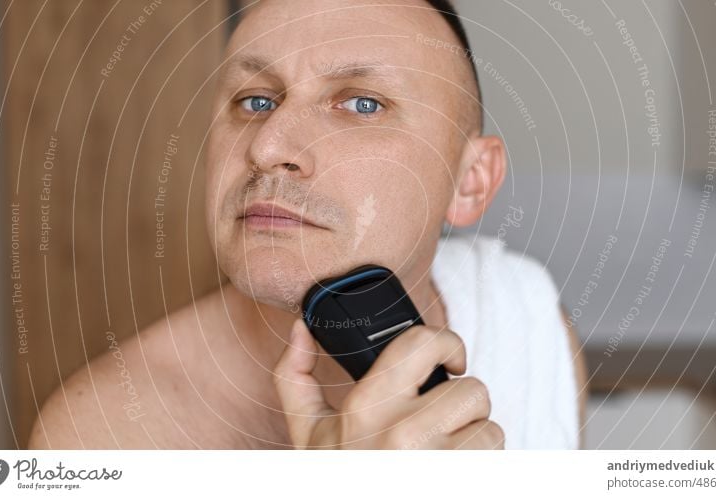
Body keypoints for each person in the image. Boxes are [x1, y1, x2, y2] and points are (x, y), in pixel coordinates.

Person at [29, 0, 588, 450]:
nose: (267, 147)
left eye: (362, 105)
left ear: (470, 182)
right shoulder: (102, 435)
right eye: (254, 101)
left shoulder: (531, 324)